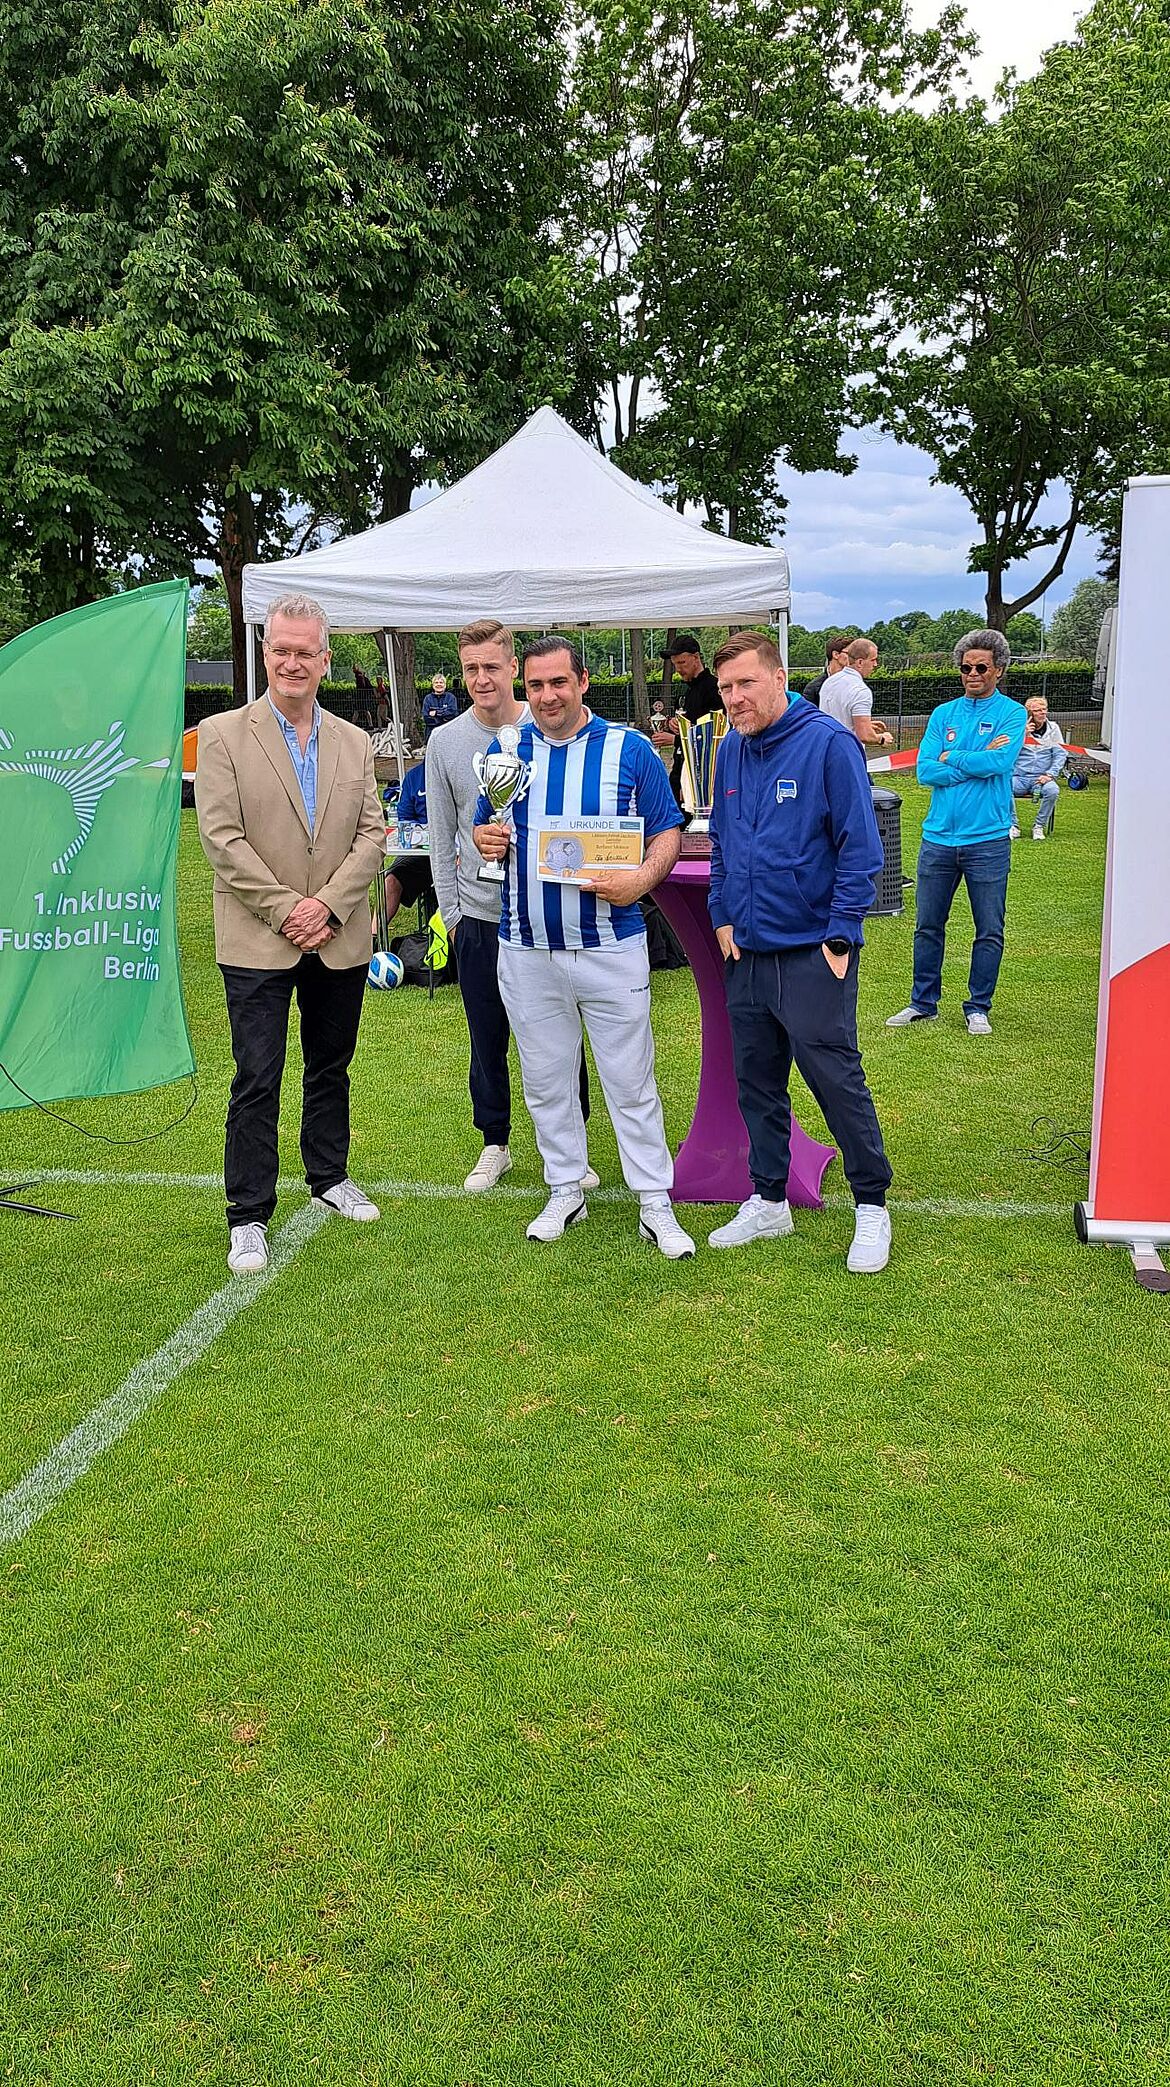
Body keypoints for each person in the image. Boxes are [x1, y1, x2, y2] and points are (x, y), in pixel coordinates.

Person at [473, 636, 694, 1259]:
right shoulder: (504, 749)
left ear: (583, 682)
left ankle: (655, 1200)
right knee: (545, 1080)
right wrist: (486, 839)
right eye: (536, 685)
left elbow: (667, 828)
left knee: (631, 1080)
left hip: (608, 945)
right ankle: (564, 1186)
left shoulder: (629, 748)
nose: (546, 696)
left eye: (557, 683)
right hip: (526, 946)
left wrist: (641, 881)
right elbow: (485, 826)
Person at [195, 592, 387, 1275]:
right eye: (281, 649)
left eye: (306, 651)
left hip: (337, 934)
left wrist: (329, 907)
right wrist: (287, 910)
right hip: (258, 940)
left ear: (325, 659)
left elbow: (371, 833)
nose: (292, 662)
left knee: (330, 1064)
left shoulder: (355, 741)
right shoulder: (221, 736)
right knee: (257, 1075)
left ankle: (329, 1175)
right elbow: (221, 838)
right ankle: (247, 1215)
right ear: (265, 652)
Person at [705, 632, 893, 1274]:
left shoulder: (829, 744)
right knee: (756, 1081)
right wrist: (722, 915)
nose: (735, 698)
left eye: (746, 683)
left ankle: (872, 1204)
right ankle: (768, 1198)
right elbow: (725, 844)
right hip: (747, 951)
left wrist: (840, 936)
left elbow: (861, 851)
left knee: (834, 1078)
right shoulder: (730, 750)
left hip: (813, 949)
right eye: (726, 687)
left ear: (778, 678)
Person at [424, 619, 595, 1195]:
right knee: (487, 1036)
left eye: (492, 667)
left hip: (545, 911)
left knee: (559, 1035)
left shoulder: (547, 727)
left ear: (513, 668)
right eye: (470, 668)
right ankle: (494, 1143)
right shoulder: (445, 742)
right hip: (479, 915)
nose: (481, 679)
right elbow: (441, 834)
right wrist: (451, 912)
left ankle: (573, 1144)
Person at [887, 628, 1027, 1037]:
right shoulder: (943, 713)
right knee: (928, 925)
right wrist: (970, 760)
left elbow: (1000, 763)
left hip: (988, 839)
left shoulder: (1013, 714)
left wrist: (954, 757)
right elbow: (926, 769)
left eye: (981, 667)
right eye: (966, 667)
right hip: (938, 839)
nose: (972, 674)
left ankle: (978, 1006)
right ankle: (922, 1002)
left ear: (998, 670)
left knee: (989, 928)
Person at [380, 759, 432, 929]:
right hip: (422, 853)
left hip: (457, 854)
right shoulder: (414, 776)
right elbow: (405, 820)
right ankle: (373, 938)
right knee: (392, 880)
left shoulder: (459, 771)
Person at [1010, 694, 1067, 839]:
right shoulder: (1018, 728)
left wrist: (1050, 775)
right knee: (1002, 785)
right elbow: (1008, 753)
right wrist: (1023, 735)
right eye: (1037, 710)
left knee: (1053, 790)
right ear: (1029, 713)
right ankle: (1013, 825)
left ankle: (1039, 826)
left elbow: (1060, 754)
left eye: (1044, 709)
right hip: (1019, 777)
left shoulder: (1053, 728)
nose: (1042, 713)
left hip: (1042, 777)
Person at [818, 639, 893, 748]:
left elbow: (836, 719)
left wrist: (864, 724)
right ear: (860, 662)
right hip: (848, 753)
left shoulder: (829, 682)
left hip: (825, 749)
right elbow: (865, 735)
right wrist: (881, 739)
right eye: (873, 660)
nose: (876, 664)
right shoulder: (861, 691)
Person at [801, 633, 851, 709]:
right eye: (849, 653)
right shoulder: (813, 688)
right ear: (836, 654)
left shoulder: (854, 683)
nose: (853, 657)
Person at [421, 672, 459, 740]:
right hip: (431, 735)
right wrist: (444, 718)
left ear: (445, 685)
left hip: (449, 735)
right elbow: (426, 718)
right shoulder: (428, 699)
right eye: (436, 682)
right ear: (433, 685)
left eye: (441, 682)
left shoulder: (451, 698)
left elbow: (453, 714)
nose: (439, 684)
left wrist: (436, 713)